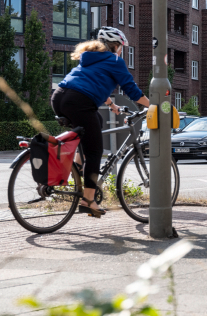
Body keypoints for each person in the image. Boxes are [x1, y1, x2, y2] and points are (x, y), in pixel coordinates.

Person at [51, 27, 150, 218]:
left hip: (59, 97)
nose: (121, 50)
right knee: (95, 150)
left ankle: (78, 165)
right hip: (79, 101)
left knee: (96, 120)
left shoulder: (89, 57)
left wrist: (111, 104)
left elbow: (90, 81)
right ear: (114, 46)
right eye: (120, 47)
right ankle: (88, 199)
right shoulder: (114, 60)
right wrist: (152, 105)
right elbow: (131, 88)